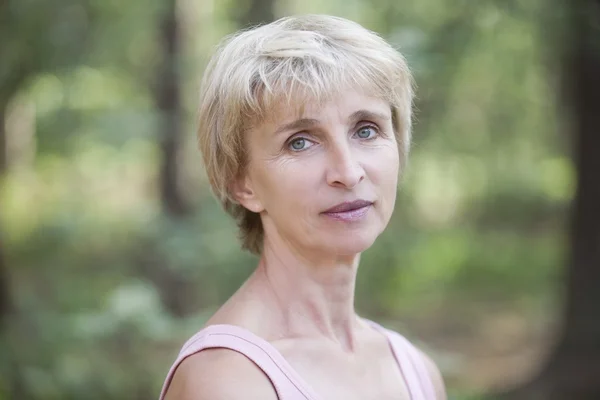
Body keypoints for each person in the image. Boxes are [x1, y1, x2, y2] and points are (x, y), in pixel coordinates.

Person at [160, 14, 446, 400]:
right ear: (242, 183)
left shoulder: (416, 371)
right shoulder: (227, 381)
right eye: (300, 142)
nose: (347, 171)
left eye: (366, 130)